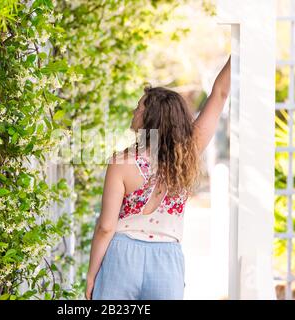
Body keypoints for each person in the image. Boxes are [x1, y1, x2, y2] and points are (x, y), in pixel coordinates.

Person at [85, 56, 231, 300]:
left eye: (139, 107)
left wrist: (92, 276)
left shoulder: (121, 163)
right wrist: (238, 47)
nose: (134, 111)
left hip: (121, 255)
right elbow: (219, 94)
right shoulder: (188, 152)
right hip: (167, 259)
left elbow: (106, 227)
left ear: (150, 118)